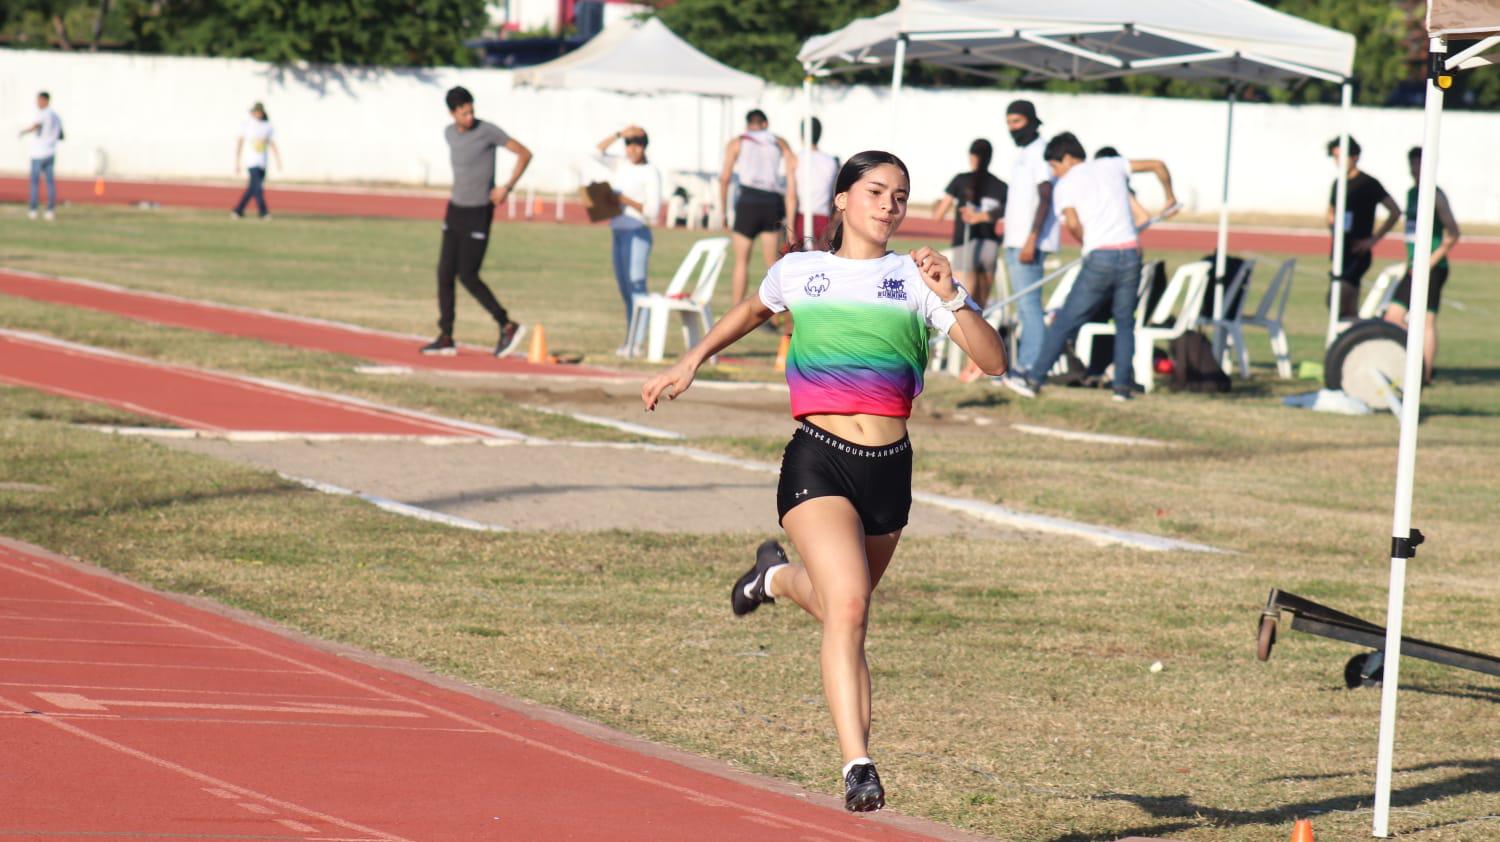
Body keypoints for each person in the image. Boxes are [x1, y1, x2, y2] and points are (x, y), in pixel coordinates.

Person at [642, 151, 1006, 814]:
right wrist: (692, 358)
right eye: (875, 191)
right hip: (819, 458)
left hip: (889, 471)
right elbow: (752, 310)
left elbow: (995, 360)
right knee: (850, 609)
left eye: (900, 195)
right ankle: (857, 764)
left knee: (843, 599)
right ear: (840, 199)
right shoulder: (801, 271)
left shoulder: (918, 277)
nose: (889, 205)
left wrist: (952, 293)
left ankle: (771, 579)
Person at [1003, 132, 1177, 402]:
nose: (1054, 172)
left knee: (1065, 321)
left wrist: (1090, 243)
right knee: (1124, 322)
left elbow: (1072, 222)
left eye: (1055, 165)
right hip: (1131, 253)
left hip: (1101, 258)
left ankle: (1033, 378)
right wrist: (1170, 197)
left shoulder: (1065, 185)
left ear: (1069, 159)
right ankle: (1122, 386)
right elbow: (1157, 165)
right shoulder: (1112, 164)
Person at [421, 86, 532, 358]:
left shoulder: (488, 131)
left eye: (471, 111)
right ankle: (446, 337)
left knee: (468, 275)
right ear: (452, 114)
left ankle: (507, 324)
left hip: (479, 211)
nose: (469, 117)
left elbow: (524, 153)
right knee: (444, 274)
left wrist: (506, 187)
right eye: (463, 113)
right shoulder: (448, 134)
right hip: (455, 210)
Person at [1384, 146, 1460, 386]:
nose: (1416, 170)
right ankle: (1413, 363)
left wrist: (1429, 261)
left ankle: (1424, 375)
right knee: (1393, 316)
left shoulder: (1436, 195)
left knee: (1426, 321)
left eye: (1420, 164)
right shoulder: (1411, 193)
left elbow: (1453, 233)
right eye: (1413, 165)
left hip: (1432, 268)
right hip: (1413, 267)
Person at [998, 99, 1059, 391]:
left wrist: (1032, 238)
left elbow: (1045, 195)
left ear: (1033, 121)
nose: (1013, 128)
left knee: (1029, 307)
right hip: (1015, 240)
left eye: (1018, 122)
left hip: (1028, 243)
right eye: (1009, 122)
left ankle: (1031, 367)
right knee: (1024, 308)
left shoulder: (1040, 152)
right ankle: (1023, 364)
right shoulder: (1023, 152)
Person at [594, 125, 663, 354]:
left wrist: (625, 200)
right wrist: (618, 133)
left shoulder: (650, 171)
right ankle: (631, 339)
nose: (632, 149)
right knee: (625, 289)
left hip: (637, 231)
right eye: (629, 144)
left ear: (644, 147)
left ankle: (637, 343)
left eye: (637, 144)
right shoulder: (620, 164)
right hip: (618, 230)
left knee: (637, 287)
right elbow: (597, 152)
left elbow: (652, 211)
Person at [719, 109, 798, 305]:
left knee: (740, 262)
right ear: (766, 123)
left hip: (748, 200)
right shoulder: (778, 142)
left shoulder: (738, 141)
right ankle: (773, 315)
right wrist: (791, 218)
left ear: (747, 125)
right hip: (771, 201)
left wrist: (723, 211)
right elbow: (792, 173)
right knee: (772, 264)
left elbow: (725, 178)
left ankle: (736, 311)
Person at [1326, 136, 1400, 321]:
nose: (1338, 162)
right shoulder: (1338, 183)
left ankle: (1354, 331)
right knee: (1343, 305)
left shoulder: (1368, 184)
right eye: (1335, 158)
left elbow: (1394, 211)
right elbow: (1331, 212)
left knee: (1338, 299)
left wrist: (1372, 240)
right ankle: (1350, 333)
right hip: (1340, 250)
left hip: (1358, 251)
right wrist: (1333, 227)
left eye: (1341, 157)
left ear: (1354, 156)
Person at [931, 139, 1006, 308]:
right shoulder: (1001, 186)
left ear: (972, 157)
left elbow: (938, 215)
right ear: (990, 158)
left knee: (964, 303)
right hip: (990, 246)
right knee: (981, 306)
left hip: (966, 244)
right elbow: (1011, 213)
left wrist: (936, 206)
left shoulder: (960, 180)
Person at [18, 91, 63, 222]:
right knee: (50, 182)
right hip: (50, 152)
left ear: (45, 100)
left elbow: (36, 126)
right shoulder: (56, 116)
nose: (37, 103)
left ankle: (33, 209)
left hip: (38, 152)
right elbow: (61, 135)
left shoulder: (44, 114)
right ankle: (50, 210)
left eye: (39, 100)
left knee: (35, 182)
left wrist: (23, 132)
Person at [795, 117, 839, 246]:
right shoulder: (831, 162)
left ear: (802, 135)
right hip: (823, 218)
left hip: (801, 217)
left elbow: (791, 195)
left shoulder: (796, 158)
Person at [232, 102, 280, 220]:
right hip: (251, 161)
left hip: (262, 162)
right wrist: (237, 161)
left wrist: (278, 159)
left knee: (252, 188)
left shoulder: (267, 126)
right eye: (255, 112)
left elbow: (271, 143)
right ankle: (263, 212)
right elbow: (240, 142)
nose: (257, 114)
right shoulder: (247, 125)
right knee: (258, 188)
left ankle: (238, 210)